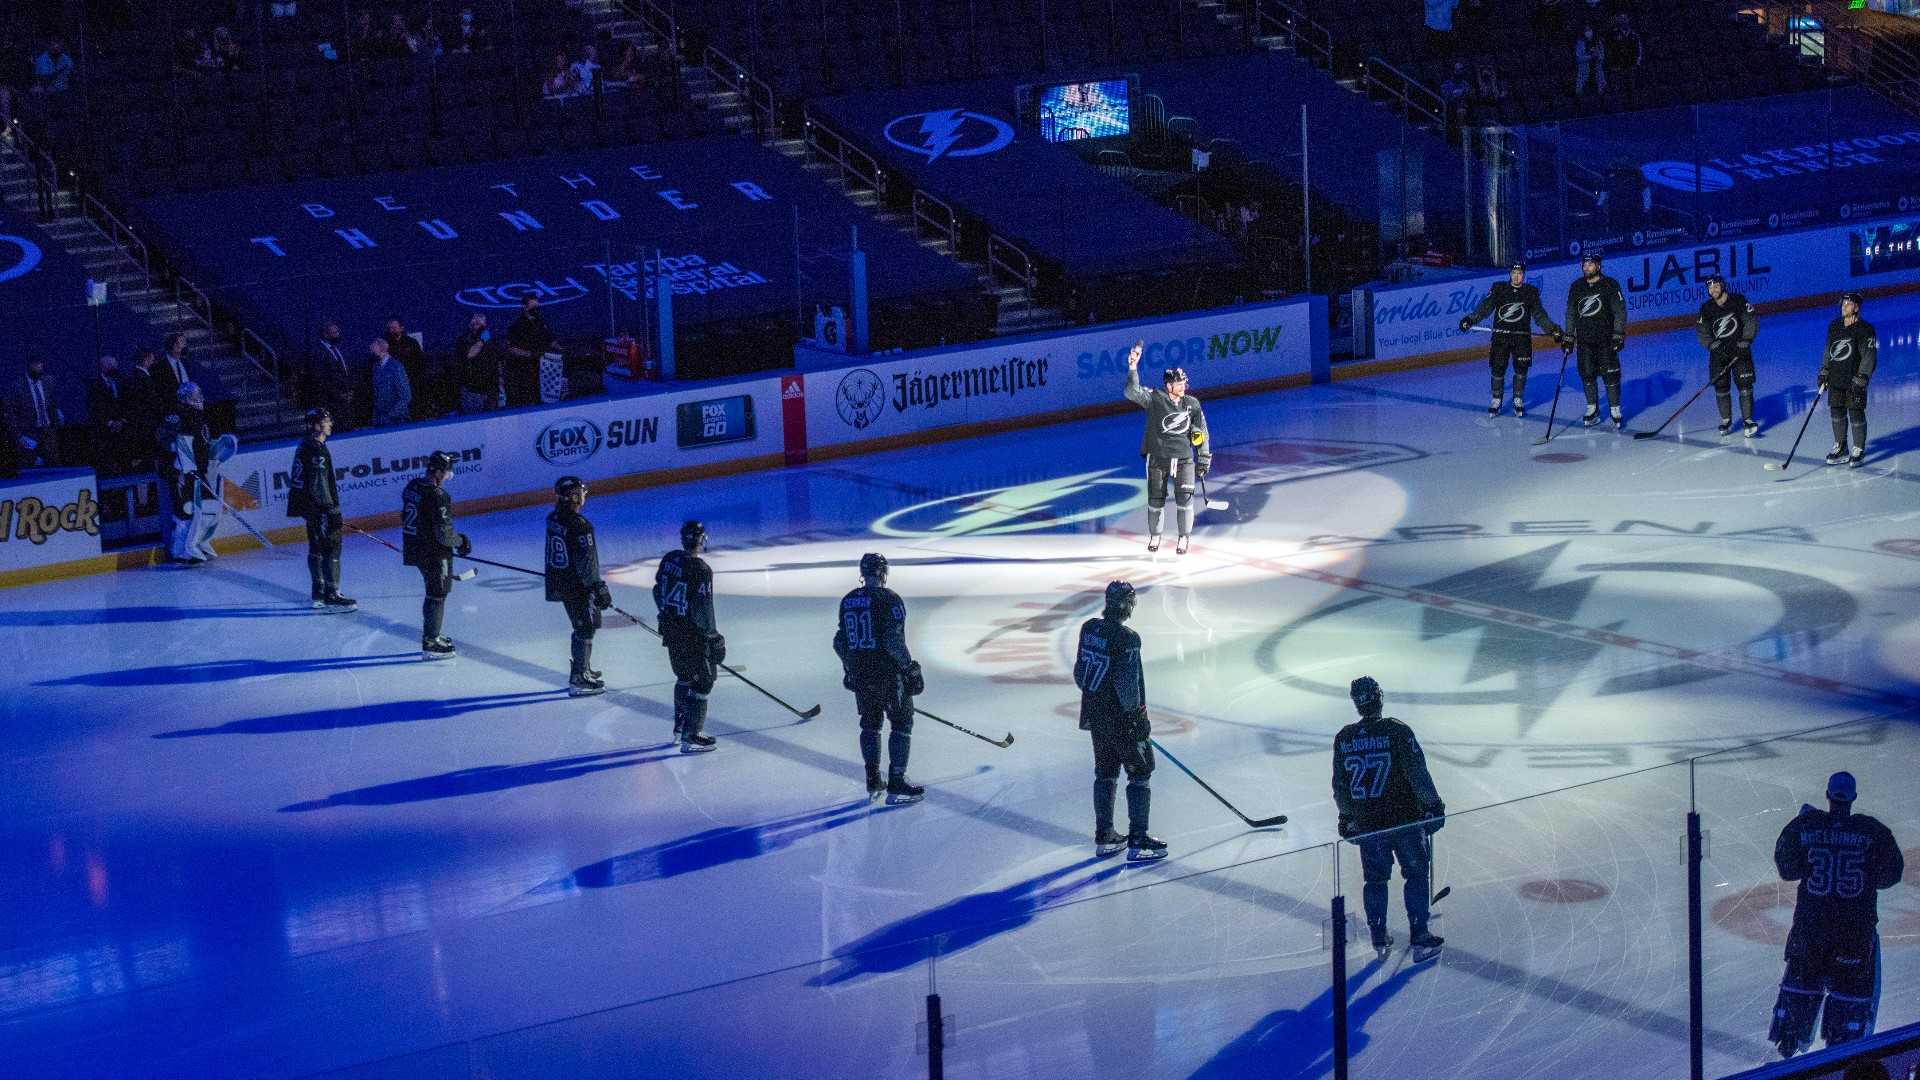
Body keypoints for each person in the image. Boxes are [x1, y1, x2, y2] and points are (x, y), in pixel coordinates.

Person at [1768, 771, 1904, 1058]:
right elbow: (1891, 874)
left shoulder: (1806, 825)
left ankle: (1790, 1043)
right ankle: (1842, 1049)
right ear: (1853, 797)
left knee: (1801, 989)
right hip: (1853, 939)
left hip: (1809, 935)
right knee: (1849, 1005)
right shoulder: (1873, 832)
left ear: (1828, 795)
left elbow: (1787, 868)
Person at [1333, 676, 1446, 962]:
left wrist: (1347, 816)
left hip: (1369, 825)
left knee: (1375, 881)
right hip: (1404, 820)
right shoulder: (1396, 731)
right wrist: (1433, 805)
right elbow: (1417, 773)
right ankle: (1419, 936)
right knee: (1416, 874)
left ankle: (1379, 938)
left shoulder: (1344, 737)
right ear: (1379, 698)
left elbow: (1340, 785)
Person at [1073, 581, 1167, 861]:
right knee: (1140, 772)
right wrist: (1138, 719)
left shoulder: (1089, 628)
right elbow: (1127, 685)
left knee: (1105, 772)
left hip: (1094, 716)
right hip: (1122, 720)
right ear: (1127, 604)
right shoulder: (1128, 638)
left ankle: (1105, 836)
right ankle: (1138, 840)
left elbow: (1080, 674)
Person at [834, 553, 924, 804]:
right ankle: (896, 779)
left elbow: (840, 641)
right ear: (883, 573)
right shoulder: (889, 599)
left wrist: (849, 668)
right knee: (902, 721)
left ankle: (873, 777)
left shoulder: (849, 600)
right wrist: (909, 669)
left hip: (862, 674)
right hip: (887, 673)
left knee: (870, 723)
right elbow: (892, 641)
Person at [1122, 341, 1211, 555]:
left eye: (1184, 382)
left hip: (1183, 458)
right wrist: (1133, 368)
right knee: (1155, 500)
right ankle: (1155, 536)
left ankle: (1183, 538)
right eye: (1179, 383)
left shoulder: (1192, 404)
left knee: (1185, 499)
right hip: (1158, 458)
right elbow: (1130, 392)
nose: (1183, 386)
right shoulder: (1154, 398)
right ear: (1168, 385)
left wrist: (1204, 458)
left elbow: (1201, 432)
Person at [654, 520, 724, 754]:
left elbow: (657, 590)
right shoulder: (701, 570)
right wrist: (713, 638)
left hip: (671, 631)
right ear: (702, 540)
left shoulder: (669, 559)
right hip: (692, 635)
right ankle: (691, 736)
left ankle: (680, 728)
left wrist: (666, 615)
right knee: (703, 681)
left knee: (683, 677)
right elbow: (703, 608)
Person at [1460, 262, 1564, 417]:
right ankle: (1496, 400)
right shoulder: (1499, 288)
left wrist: (1553, 329)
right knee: (1497, 368)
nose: (1517, 276)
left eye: (1520, 273)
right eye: (1514, 273)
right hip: (1501, 338)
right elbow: (1485, 308)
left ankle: (1518, 399)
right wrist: (1470, 319)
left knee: (1521, 369)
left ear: (1524, 275)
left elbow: (1540, 315)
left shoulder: (1531, 292)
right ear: (1510, 273)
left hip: (1521, 338)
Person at [546, 475, 610, 697]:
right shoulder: (580, 525)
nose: (583, 496)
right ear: (574, 496)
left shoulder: (553, 518)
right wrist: (598, 587)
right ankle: (578, 678)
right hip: (577, 585)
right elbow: (587, 562)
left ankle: (583, 668)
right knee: (585, 628)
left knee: (587, 625)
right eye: (580, 492)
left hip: (562, 581)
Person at [287, 408, 356, 611]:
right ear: (316, 425)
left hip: (309, 506)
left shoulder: (305, 446)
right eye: (326, 421)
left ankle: (319, 591)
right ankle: (331, 593)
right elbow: (318, 483)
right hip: (319, 506)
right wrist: (331, 509)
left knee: (316, 547)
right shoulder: (316, 448)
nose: (330, 424)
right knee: (331, 547)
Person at [402, 451, 468, 660]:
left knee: (433, 592)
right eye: (448, 470)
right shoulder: (438, 496)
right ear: (438, 472)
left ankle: (433, 636)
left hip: (415, 547)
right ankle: (431, 643)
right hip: (434, 553)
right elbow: (443, 533)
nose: (450, 474)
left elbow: (405, 516)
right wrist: (462, 542)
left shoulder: (413, 486)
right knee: (437, 593)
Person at [156, 383, 219, 565]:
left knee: (204, 505)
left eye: (198, 394)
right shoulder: (177, 415)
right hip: (180, 471)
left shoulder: (197, 416)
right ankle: (180, 552)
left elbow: (201, 443)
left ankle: (196, 543)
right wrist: (180, 458)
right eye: (194, 395)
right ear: (185, 398)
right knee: (184, 508)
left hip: (195, 470)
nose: (198, 398)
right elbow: (163, 437)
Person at [1564, 252, 1626, 428]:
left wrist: (1618, 334)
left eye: (1590, 264)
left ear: (1598, 266)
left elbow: (1619, 311)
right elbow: (1570, 313)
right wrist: (1569, 337)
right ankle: (1592, 409)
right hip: (1584, 341)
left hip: (1606, 340)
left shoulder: (1610, 285)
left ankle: (1615, 408)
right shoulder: (1576, 286)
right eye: (1584, 264)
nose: (1586, 267)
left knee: (1610, 374)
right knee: (1587, 373)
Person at [1694, 275, 1760, 437]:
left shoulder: (1738, 301)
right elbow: (1702, 333)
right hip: (1719, 354)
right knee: (1721, 387)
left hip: (1739, 350)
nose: (1713, 290)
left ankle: (1747, 421)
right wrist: (1714, 347)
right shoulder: (1706, 308)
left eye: (1715, 286)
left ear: (1723, 285)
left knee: (1745, 385)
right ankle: (1726, 420)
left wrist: (1745, 342)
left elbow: (1751, 321)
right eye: (1710, 288)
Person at [1822, 292, 1877, 468]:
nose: (1843, 307)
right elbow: (1828, 350)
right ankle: (1841, 446)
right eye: (1843, 303)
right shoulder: (1834, 326)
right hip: (1836, 378)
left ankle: (1858, 448)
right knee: (1836, 411)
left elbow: (1869, 356)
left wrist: (1862, 377)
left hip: (1854, 380)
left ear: (1857, 308)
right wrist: (1824, 370)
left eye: (1848, 304)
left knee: (1855, 412)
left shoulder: (1865, 329)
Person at [6, 355, 64, 468]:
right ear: (30, 366)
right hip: (29, 434)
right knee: (29, 469)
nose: (40, 368)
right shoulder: (17, 387)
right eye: (37, 365)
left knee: (54, 467)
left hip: (48, 433)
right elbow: (11, 415)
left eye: (41, 365)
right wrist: (18, 437)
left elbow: (53, 405)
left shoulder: (48, 382)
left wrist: (55, 425)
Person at [384, 316, 438, 419]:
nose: (391, 331)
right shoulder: (385, 346)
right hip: (393, 390)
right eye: (389, 328)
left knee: (416, 414)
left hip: (413, 386)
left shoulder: (411, 343)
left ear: (401, 328)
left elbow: (420, 365)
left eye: (394, 328)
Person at [506, 294, 553, 408]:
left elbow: (551, 340)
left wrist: (560, 349)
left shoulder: (542, 322)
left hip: (545, 369)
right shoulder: (517, 326)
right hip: (526, 371)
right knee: (529, 401)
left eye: (537, 307)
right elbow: (512, 349)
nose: (536, 310)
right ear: (524, 307)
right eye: (533, 308)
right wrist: (531, 355)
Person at [85, 355, 129, 475]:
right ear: (103, 367)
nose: (114, 368)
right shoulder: (94, 385)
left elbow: (127, 404)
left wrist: (122, 421)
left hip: (121, 431)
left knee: (124, 466)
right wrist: (110, 423)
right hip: (104, 433)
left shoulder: (121, 381)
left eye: (115, 366)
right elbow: (94, 409)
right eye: (111, 366)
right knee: (107, 468)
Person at [309, 322, 358, 430]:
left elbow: (345, 373)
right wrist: (339, 395)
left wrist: (349, 392)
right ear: (326, 335)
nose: (338, 334)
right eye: (335, 332)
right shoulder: (318, 352)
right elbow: (321, 380)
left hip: (345, 404)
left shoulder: (337, 349)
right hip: (331, 404)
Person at [369, 338, 412, 427]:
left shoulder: (396, 367)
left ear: (382, 349)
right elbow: (377, 395)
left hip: (398, 422)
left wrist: (390, 415)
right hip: (381, 422)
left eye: (374, 351)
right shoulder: (375, 368)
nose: (371, 354)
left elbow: (405, 397)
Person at [154, 331, 197, 407]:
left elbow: (190, 380)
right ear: (174, 345)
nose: (184, 345)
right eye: (181, 342)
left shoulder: (185, 362)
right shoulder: (160, 366)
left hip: (190, 405)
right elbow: (161, 390)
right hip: (173, 407)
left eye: (184, 342)